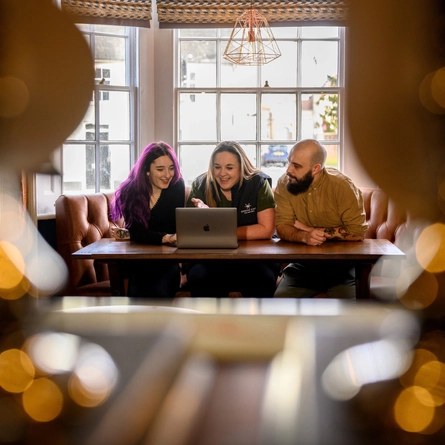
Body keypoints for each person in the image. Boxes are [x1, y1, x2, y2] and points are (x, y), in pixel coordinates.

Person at [273, 139, 368, 299]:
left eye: (296, 166)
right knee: (279, 306)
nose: (288, 170)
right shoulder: (284, 183)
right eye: (289, 162)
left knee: (345, 316)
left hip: (341, 268)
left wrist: (309, 229)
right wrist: (304, 236)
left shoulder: (341, 186)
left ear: (316, 168)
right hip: (301, 266)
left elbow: (358, 232)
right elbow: (283, 226)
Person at [185, 141, 281, 298]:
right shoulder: (200, 184)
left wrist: (217, 228)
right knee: (199, 278)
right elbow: (190, 231)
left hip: (253, 260)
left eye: (229, 168)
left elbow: (266, 229)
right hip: (209, 260)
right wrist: (201, 216)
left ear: (241, 167)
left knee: (263, 280)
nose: (222, 173)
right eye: (217, 167)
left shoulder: (259, 183)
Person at [110, 141, 185, 298]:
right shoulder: (130, 190)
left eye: (171, 168)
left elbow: (171, 227)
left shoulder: (177, 186)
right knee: (138, 299)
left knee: (160, 291)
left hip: (166, 261)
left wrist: (158, 236)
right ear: (146, 170)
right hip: (139, 261)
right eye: (160, 169)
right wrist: (166, 237)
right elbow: (136, 231)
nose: (167, 175)